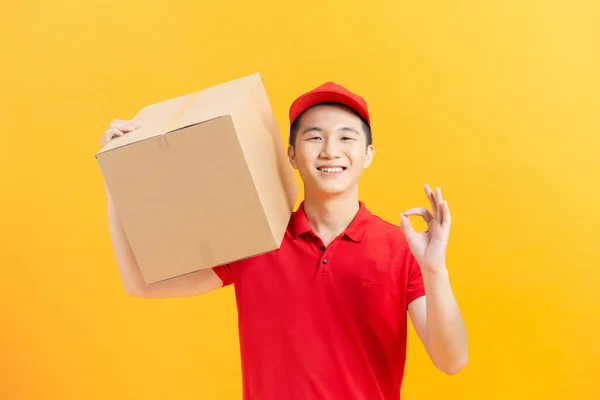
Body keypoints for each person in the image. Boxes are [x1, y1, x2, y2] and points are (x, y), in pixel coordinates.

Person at [100, 81, 468, 400]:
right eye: (314, 137)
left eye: (346, 137)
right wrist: (115, 179)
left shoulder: (401, 247)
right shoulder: (256, 237)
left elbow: (450, 360)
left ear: (367, 154)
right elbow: (141, 284)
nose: (330, 150)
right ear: (291, 154)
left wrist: (435, 269)